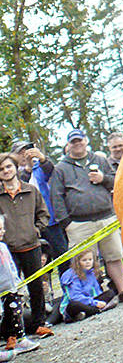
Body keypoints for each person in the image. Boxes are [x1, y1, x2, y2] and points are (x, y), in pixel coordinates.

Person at [48, 131, 123, 302]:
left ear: (86, 140)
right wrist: (66, 223)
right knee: (82, 261)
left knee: (114, 255)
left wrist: (103, 178)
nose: (77, 144)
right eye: (73, 142)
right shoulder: (61, 168)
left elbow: (115, 180)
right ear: (68, 145)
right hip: (79, 222)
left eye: (80, 141)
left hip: (106, 217)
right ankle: (89, 298)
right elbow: (56, 197)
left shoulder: (100, 160)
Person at [0, 155, 52, 340]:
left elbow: (43, 214)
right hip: (8, 250)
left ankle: (39, 324)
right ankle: (11, 333)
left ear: (15, 167)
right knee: (9, 292)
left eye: (8, 167)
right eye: (2, 169)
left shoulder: (31, 191)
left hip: (31, 245)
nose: (6, 171)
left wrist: (36, 230)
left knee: (36, 287)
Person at [11, 144, 66, 274]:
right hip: (26, 225)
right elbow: (18, 187)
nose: (26, 155)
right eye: (21, 152)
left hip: (49, 220)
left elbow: (50, 171)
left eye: (27, 150)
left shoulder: (39, 168)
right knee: (35, 262)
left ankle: (69, 289)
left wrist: (42, 158)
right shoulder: (10, 173)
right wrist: (27, 169)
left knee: (62, 254)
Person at [0, 217, 36, 357]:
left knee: (16, 312)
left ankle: (20, 338)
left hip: (11, 288)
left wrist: (17, 282)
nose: (2, 231)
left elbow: (11, 267)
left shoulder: (3, 247)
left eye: (2, 228)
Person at [58, 250, 116, 324]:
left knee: (110, 293)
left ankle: (87, 312)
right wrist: (95, 303)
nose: (88, 262)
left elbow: (97, 291)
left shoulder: (91, 272)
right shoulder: (71, 275)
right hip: (76, 303)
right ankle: (97, 310)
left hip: (90, 301)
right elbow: (75, 297)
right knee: (74, 305)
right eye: (84, 260)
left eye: (90, 259)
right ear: (77, 262)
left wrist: (98, 301)